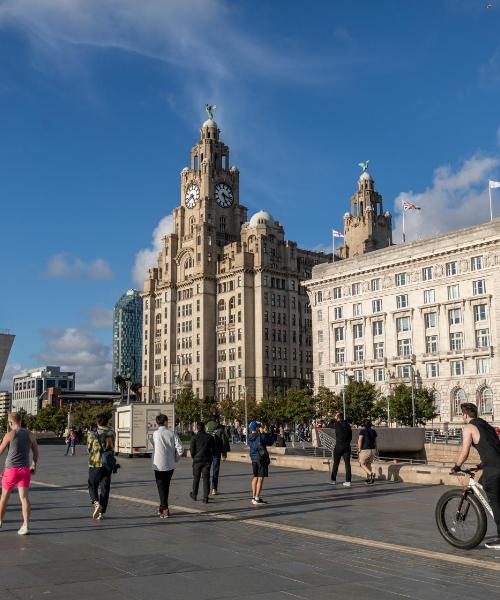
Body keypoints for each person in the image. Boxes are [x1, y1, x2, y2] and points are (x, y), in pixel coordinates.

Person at [453, 402, 500, 549]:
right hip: (493, 464)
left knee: (495, 501)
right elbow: (492, 446)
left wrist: (457, 466)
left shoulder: (468, 427)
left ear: (465, 414)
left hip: (495, 468)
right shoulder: (485, 424)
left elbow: (465, 450)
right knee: (484, 483)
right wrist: (482, 464)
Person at [0, 413, 39, 535]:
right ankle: (26, 525)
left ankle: (0, 521)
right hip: (24, 470)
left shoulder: (9, 435)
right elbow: (36, 452)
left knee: (4, 498)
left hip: (11, 470)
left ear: (10, 423)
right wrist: (33, 465)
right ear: (21, 421)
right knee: (24, 498)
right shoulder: (30, 434)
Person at [152, 414, 183, 518]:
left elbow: (153, 446)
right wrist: (176, 459)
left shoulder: (155, 434)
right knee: (166, 486)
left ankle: (164, 508)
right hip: (169, 465)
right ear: (165, 421)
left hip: (158, 465)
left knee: (161, 487)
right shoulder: (172, 433)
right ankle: (163, 507)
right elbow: (180, 448)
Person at [87, 413, 116, 520]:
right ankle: (101, 513)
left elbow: (89, 448)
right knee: (105, 487)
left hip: (95, 463)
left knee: (92, 484)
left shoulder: (92, 434)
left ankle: (96, 502)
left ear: (97, 422)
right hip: (108, 463)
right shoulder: (112, 433)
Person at [248, 421, 274, 505]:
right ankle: (257, 498)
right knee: (260, 478)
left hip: (254, 459)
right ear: (256, 428)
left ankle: (253, 497)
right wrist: (265, 432)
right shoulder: (261, 436)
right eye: (259, 426)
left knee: (255, 477)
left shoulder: (249, 437)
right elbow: (271, 441)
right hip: (261, 459)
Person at [189, 422, 214, 504]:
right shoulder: (210, 437)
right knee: (206, 479)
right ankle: (205, 497)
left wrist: (194, 457)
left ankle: (194, 495)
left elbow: (192, 450)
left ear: (197, 428)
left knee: (196, 478)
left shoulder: (194, 437)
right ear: (204, 428)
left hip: (197, 460)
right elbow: (213, 448)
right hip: (207, 460)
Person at [206, 420, 230, 495]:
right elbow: (223, 442)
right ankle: (214, 489)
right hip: (216, 452)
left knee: (206, 471)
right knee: (215, 471)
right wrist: (224, 454)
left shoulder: (206, 428)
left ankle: (206, 489)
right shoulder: (220, 429)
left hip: (207, 453)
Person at [330, 412, 352, 487]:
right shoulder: (348, 425)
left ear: (338, 417)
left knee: (336, 463)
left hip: (338, 446)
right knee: (347, 464)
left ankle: (333, 480)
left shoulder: (337, 424)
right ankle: (348, 481)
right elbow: (350, 437)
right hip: (347, 446)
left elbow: (329, 424)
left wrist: (335, 418)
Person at [358, 419, 377, 484]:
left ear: (364, 425)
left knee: (362, 463)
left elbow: (360, 440)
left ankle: (371, 474)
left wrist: (359, 449)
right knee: (368, 464)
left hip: (365, 449)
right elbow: (375, 442)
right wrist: (377, 450)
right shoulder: (374, 431)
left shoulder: (362, 431)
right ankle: (369, 478)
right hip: (373, 450)